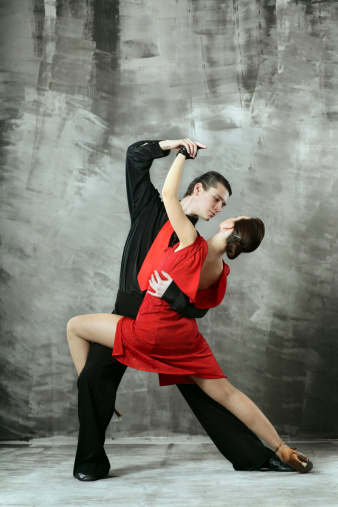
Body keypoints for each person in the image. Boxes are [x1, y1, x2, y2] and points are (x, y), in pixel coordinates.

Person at [68, 139, 313, 475]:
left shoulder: (194, 240)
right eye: (217, 199)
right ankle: (91, 463)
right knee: (93, 380)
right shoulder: (149, 208)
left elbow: (196, 308)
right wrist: (172, 146)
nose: (219, 208)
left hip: (158, 324)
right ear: (198, 189)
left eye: (225, 206)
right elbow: (135, 157)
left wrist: (171, 297)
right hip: (131, 313)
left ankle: (253, 455)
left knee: (207, 396)